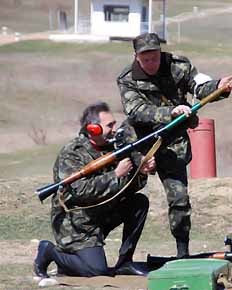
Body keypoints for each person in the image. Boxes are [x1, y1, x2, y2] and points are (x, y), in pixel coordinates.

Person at [116, 32, 232, 258]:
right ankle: (121, 257)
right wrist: (170, 113)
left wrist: (219, 87)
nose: (151, 63)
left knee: (180, 200)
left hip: (172, 143)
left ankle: (182, 253)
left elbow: (198, 88)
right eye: (146, 60)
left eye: (155, 57)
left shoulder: (179, 66)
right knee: (121, 195)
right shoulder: (127, 78)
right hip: (138, 144)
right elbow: (136, 111)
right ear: (136, 58)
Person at [33, 101, 156, 278]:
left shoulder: (113, 148)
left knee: (139, 202)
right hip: (76, 222)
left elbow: (125, 189)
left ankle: (125, 262)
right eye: (109, 125)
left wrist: (141, 172)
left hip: (100, 214)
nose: (115, 129)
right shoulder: (73, 153)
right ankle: (50, 252)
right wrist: (115, 175)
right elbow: (80, 191)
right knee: (96, 271)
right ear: (93, 129)